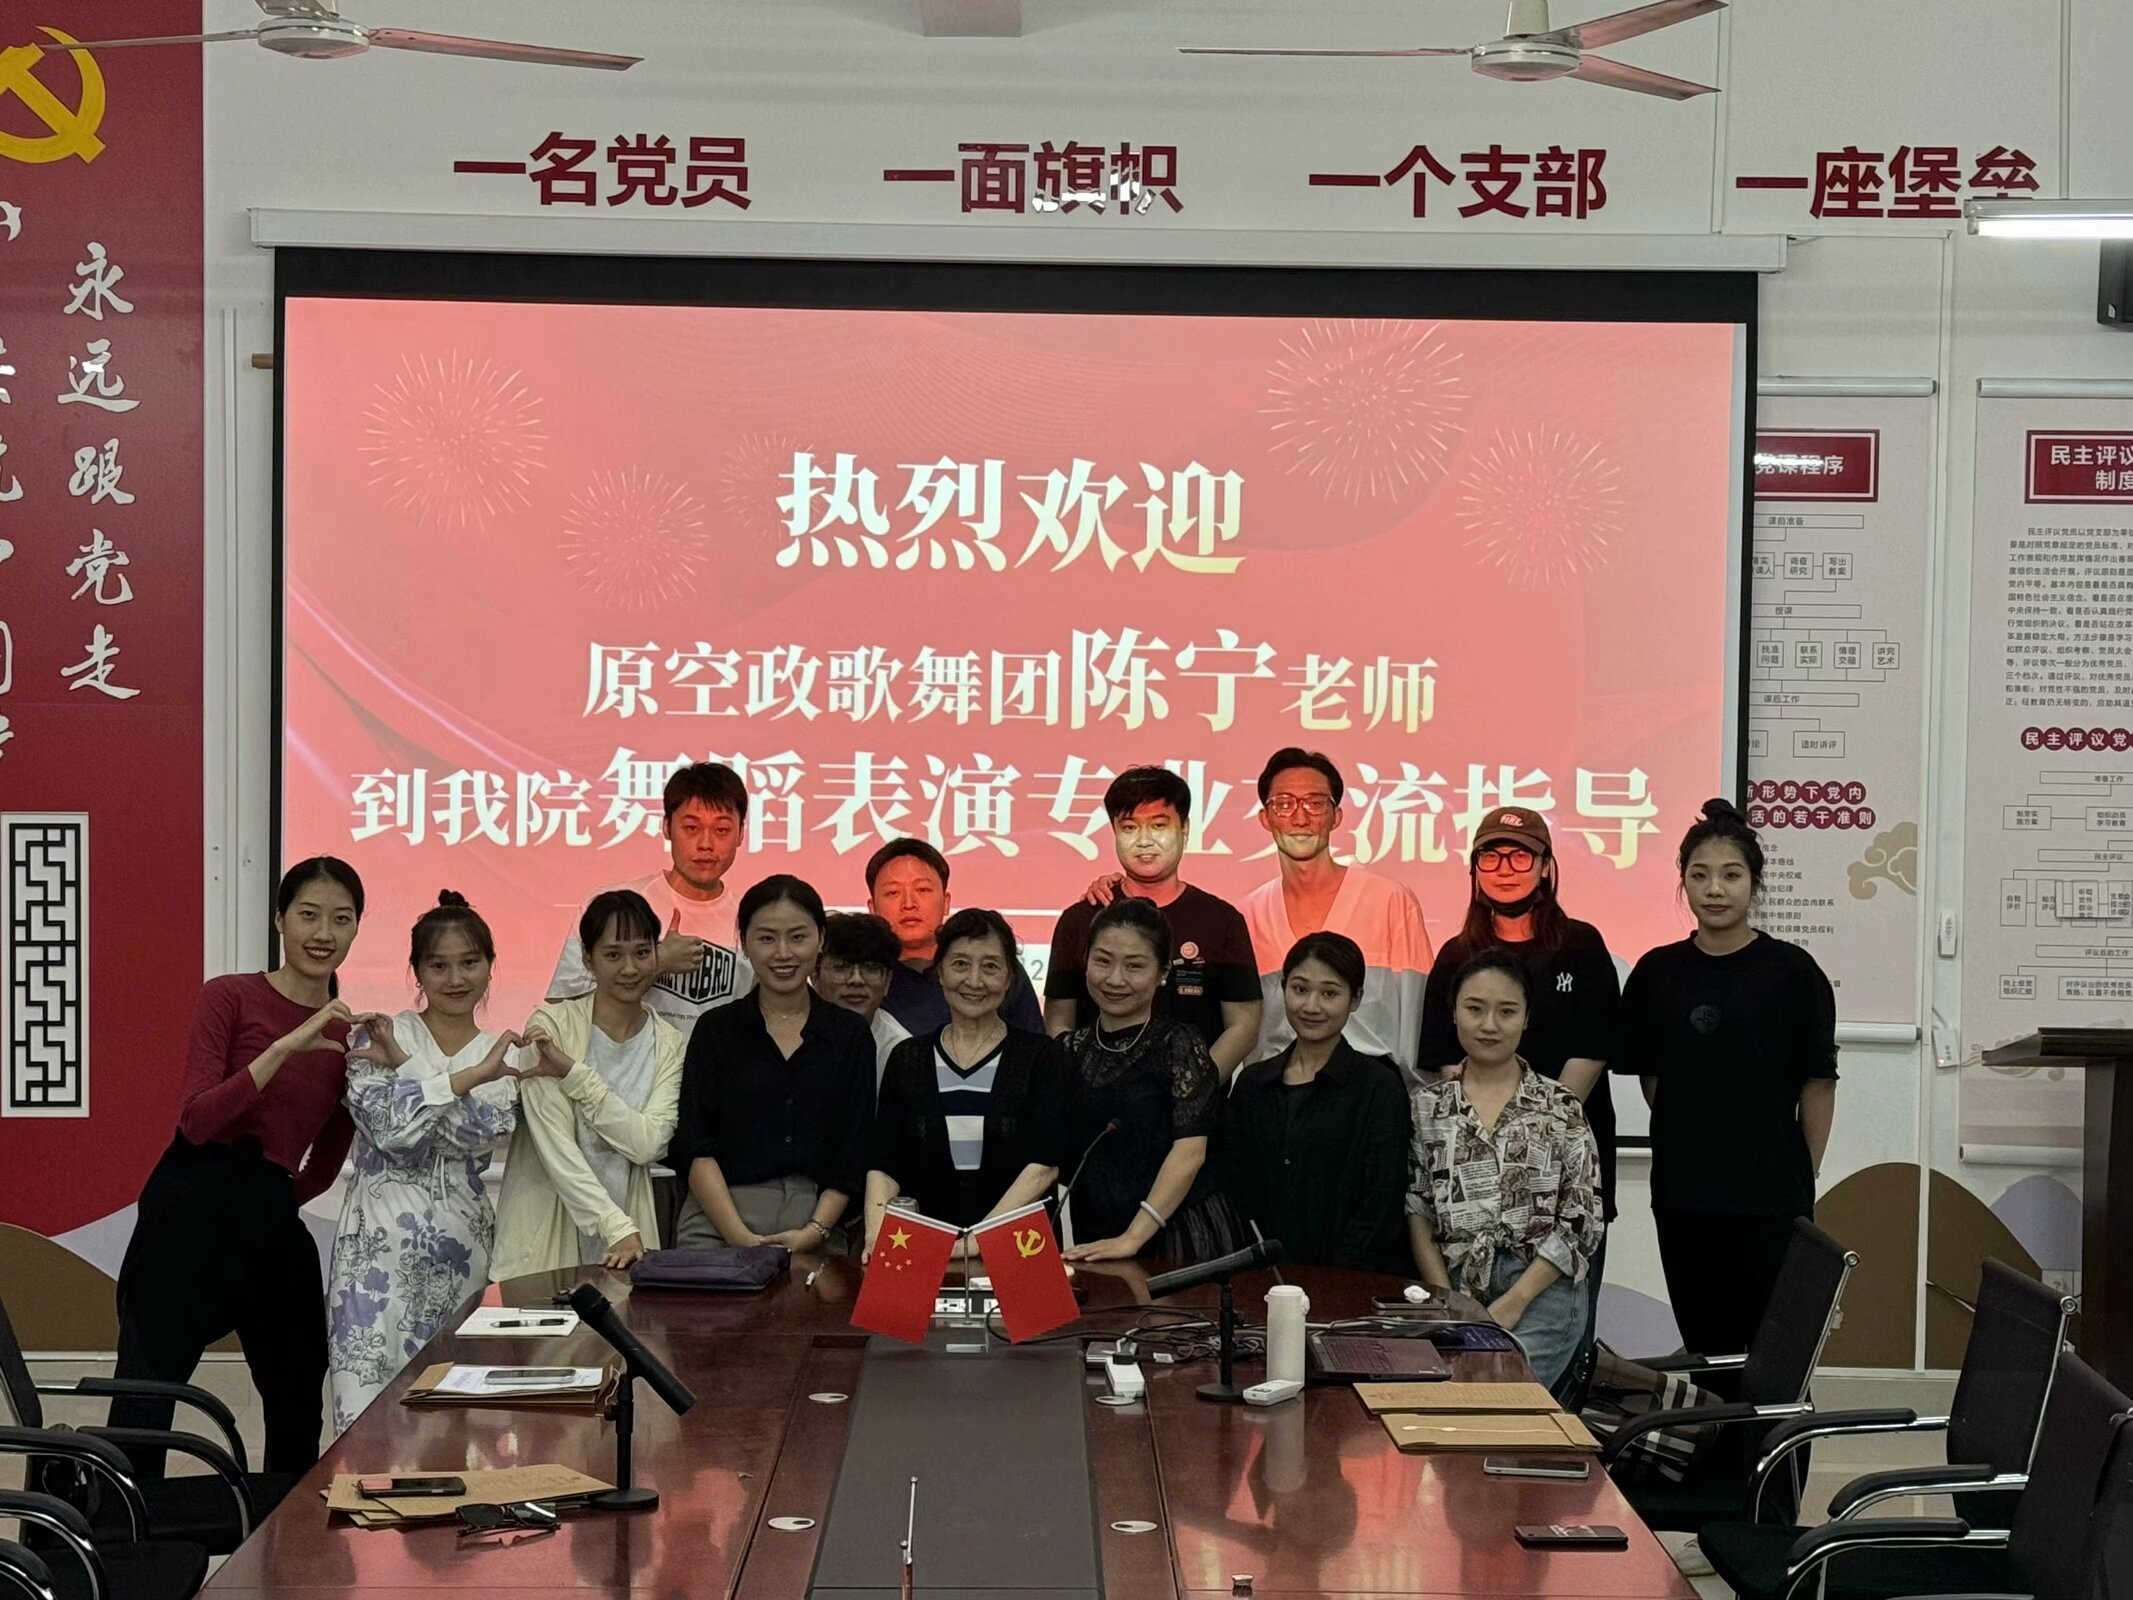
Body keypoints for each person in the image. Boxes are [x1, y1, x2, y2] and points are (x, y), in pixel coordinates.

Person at [111, 857, 366, 1479]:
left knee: (298, 1396)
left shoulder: (349, 1038)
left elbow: (327, 1160)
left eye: (341, 919)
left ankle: (282, 1531)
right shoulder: (228, 995)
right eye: (308, 915)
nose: (323, 933)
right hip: (190, 1200)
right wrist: (283, 1049)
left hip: (268, 1208)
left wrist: (270, 1198)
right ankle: (127, 1531)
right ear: (280, 919)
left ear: (357, 928)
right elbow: (198, 1119)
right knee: (146, 1394)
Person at [327, 891, 564, 1433]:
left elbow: (474, 1136)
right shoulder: (379, 1033)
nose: (456, 979)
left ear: (490, 966)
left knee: (455, 1418)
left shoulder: (506, 1053)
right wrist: (468, 1078)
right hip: (375, 1251)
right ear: (416, 971)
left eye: (469, 963)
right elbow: (392, 1134)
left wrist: (408, 1072)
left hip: (463, 1249)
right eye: (439, 965)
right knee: (363, 1414)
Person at [1617, 798, 1839, 1356]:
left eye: (1731, 875)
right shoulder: (1656, 972)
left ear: (1754, 884)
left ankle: (1775, 1425)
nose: (1714, 889)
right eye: (1700, 876)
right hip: (1684, 1195)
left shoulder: (1793, 972)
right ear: (1683, 883)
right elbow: (1653, 1079)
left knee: (1772, 1355)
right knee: (1706, 1348)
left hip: (1772, 1196)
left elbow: (1818, 1083)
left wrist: (1802, 1174)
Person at [1416, 805, 1621, 1350]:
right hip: (1468, 1206)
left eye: (1520, 856)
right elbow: (1448, 1063)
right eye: (1491, 856)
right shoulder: (1455, 955)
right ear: (1474, 868)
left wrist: (1532, 1129)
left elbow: (1592, 1051)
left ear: (1546, 865)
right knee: (1466, 1359)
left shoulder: (1582, 945)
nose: (1505, 868)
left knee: (1562, 1352)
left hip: (1560, 1187)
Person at [1407, 951, 1604, 1393]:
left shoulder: (1560, 1106)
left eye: (1507, 1012)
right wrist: (1447, 1302)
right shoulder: (1427, 1106)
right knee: (1440, 1400)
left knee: (1493, 1397)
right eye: (1475, 1009)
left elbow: (1582, 1220)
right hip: (1454, 1286)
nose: (1489, 1025)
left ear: (1527, 1018)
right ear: (1453, 1012)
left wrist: (1515, 1302)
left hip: (1540, 1292)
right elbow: (1417, 1209)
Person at [671, 877, 877, 1252]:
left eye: (798, 937)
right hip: (718, 1222)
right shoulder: (716, 1029)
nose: (783, 953)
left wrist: (815, 1230)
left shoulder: (850, 1034)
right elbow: (694, 1144)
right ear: (744, 942)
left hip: (818, 1223)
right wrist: (738, 1237)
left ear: (821, 940)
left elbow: (853, 1149)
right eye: (767, 938)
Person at [492, 889, 686, 1279]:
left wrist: (576, 1076)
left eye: (642, 952)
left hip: (626, 1250)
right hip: (544, 1245)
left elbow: (649, 1144)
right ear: (587, 958)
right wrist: (615, 1226)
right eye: (613, 955)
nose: (629, 968)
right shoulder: (550, 1026)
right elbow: (556, 1147)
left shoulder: (670, 1042)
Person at [864, 908, 1070, 1257]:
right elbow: (885, 1164)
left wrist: (976, 1241)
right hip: (923, 1251)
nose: (974, 981)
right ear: (940, 972)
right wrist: (877, 1236)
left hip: (1020, 1251)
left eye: (990, 967)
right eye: (960, 964)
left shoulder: (1041, 1056)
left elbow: (1044, 1166)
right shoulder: (908, 1057)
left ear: (1009, 979)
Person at [1043, 765, 1261, 1079]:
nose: (1144, 840)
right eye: (1129, 827)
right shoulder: (1081, 917)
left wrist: (1193, 1087)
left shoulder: (1222, 919)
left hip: (1195, 1098)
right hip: (1093, 1097)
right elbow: (1058, 1021)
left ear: (1184, 829)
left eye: (1159, 825)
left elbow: (1243, 1024)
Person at [1054, 898, 1241, 1262]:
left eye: (1134, 966)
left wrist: (1132, 1237)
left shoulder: (1180, 1044)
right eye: (1102, 961)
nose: (1115, 979)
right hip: (1099, 1231)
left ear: (1162, 972)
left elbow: (1190, 1153)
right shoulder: (1069, 1049)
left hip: (1180, 1235)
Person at [1223, 932, 1413, 1272]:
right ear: (1283, 988)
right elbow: (1236, 1189)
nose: (1311, 1006)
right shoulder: (1253, 1084)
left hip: (1350, 1281)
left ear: (1355, 999)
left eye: (1329, 993)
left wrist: (1336, 1280)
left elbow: (1381, 1200)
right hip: (1264, 1279)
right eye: (1299, 989)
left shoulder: (1379, 1087)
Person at [1240, 748, 1434, 1073]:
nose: (1300, 818)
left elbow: (1417, 1014)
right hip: (1278, 1087)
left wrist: (1413, 1093)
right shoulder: (1248, 915)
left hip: (1372, 1084)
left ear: (1336, 816)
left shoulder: (1390, 900)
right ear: (1265, 818)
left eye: (1315, 804)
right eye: (1284, 804)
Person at [546, 761, 754, 1034]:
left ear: (741, 833)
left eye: (722, 830)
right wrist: (657, 962)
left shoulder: (752, 921)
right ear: (667, 827)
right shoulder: (612, 906)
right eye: (691, 828)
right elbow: (560, 1009)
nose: (706, 844)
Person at [865, 837, 1043, 1033]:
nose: (909, 904)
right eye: (892, 892)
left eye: (922, 889)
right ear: (872, 907)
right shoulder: (861, 975)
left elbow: (1034, 1043)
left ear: (946, 902)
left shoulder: (993, 969)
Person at [818, 911, 912, 1080]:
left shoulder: (900, 1054)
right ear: (814, 977)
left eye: (870, 967)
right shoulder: (785, 1036)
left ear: (887, 981)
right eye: (842, 967)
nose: (856, 980)